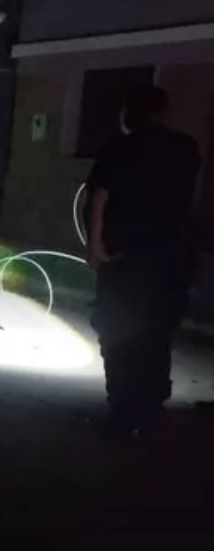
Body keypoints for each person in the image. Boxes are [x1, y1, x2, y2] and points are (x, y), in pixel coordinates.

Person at [86, 85, 200, 437]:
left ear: (128, 113)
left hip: (124, 257)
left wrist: (94, 244)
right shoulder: (186, 148)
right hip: (169, 257)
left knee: (118, 332)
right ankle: (150, 411)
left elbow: (99, 199)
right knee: (156, 333)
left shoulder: (117, 148)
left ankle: (121, 412)